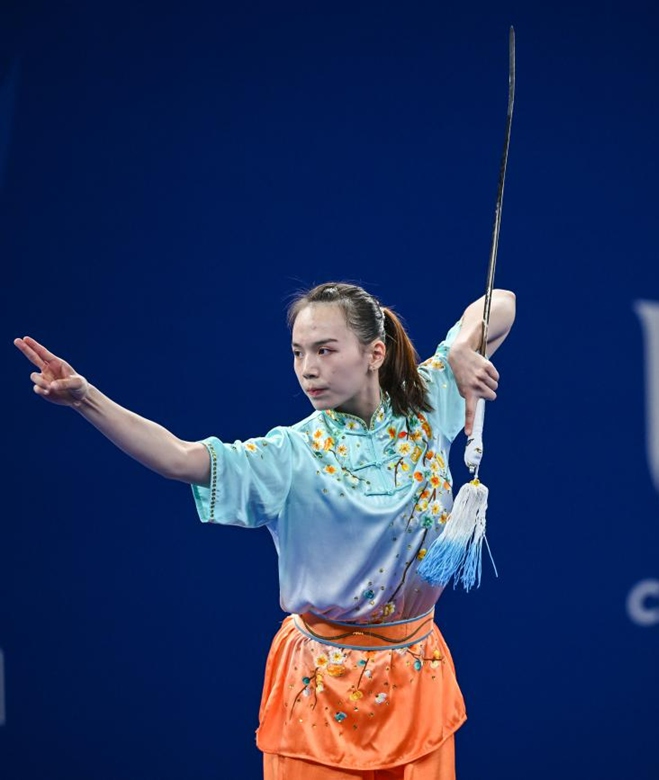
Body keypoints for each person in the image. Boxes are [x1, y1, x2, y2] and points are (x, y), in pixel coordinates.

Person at [14, 281, 516, 780]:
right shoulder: (288, 455)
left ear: (374, 353)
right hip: (320, 693)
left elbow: (503, 304)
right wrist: (86, 399)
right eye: (298, 353)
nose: (308, 369)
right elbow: (178, 458)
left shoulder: (429, 403)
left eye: (325, 350)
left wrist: (458, 350)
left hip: (415, 679)